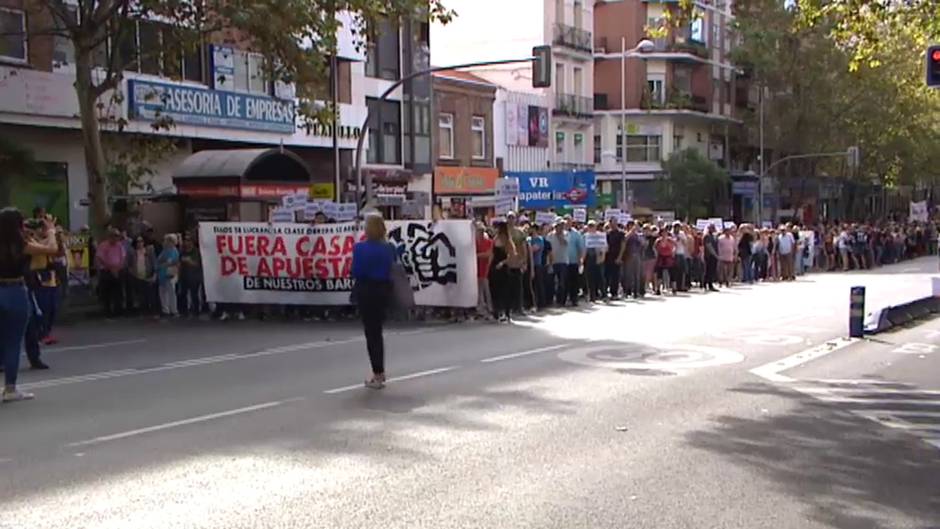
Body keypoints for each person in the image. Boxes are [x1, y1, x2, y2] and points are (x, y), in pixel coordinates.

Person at [0, 208, 58, 402]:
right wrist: (50, 231)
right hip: (15, 290)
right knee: (12, 342)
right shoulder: (21, 244)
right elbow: (51, 249)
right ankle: (10, 388)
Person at [351, 214, 396, 389]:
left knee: (372, 334)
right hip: (384, 290)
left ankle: (378, 373)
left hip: (366, 290)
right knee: (377, 331)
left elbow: (356, 271)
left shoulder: (360, 248)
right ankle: (379, 371)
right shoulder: (389, 248)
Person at [489, 220, 518, 322]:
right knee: (495, 290)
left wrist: (503, 263)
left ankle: (506, 312)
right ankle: (496, 311)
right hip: (494, 266)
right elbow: (492, 254)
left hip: (503, 267)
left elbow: (512, 255)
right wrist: (489, 265)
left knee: (504, 290)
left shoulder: (507, 241)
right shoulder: (495, 239)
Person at [96, 227, 127, 317]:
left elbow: (123, 258)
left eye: (117, 236)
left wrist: (118, 268)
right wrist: (111, 268)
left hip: (118, 271)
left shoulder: (120, 245)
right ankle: (107, 312)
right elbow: (100, 258)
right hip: (107, 271)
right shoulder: (103, 245)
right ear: (109, 236)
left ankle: (118, 311)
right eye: (114, 236)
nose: (116, 238)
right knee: (106, 293)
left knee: (118, 292)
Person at [127, 236, 156, 313]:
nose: (140, 243)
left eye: (141, 241)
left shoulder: (148, 251)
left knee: (149, 294)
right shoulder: (132, 252)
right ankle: (142, 309)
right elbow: (128, 264)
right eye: (138, 241)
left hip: (147, 275)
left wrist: (154, 274)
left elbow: (153, 263)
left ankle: (150, 309)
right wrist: (132, 273)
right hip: (137, 276)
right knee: (140, 294)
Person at [156, 234, 181, 317]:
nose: (167, 242)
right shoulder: (164, 251)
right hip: (162, 274)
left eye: (170, 241)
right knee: (162, 292)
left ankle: (174, 310)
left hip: (170, 273)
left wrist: (164, 264)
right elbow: (158, 261)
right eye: (167, 240)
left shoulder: (174, 251)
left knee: (171, 292)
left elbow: (171, 262)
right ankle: (165, 310)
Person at [546, 221, 569, 306]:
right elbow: (548, 249)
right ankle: (550, 300)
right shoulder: (549, 235)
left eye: (561, 226)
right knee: (550, 282)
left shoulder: (566, 234)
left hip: (563, 261)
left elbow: (565, 243)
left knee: (562, 282)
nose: (560, 227)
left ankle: (561, 301)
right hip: (552, 261)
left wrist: (559, 235)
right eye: (558, 226)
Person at [179, 234, 203, 317]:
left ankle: (196, 311)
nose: (186, 242)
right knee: (183, 293)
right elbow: (180, 262)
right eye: (185, 240)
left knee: (194, 294)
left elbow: (197, 264)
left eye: (188, 240)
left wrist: (189, 261)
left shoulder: (196, 251)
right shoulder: (183, 251)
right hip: (184, 275)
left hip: (194, 277)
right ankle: (184, 311)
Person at [474, 223, 494, 319]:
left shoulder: (489, 242)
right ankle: (480, 310)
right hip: (476, 270)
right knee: (479, 292)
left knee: (487, 291)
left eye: (481, 231)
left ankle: (490, 309)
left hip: (485, 269)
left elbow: (488, 254)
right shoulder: (474, 243)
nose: (480, 233)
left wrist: (476, 255)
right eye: (478, 231)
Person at [605, 221, 624, 299]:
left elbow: (623, 245)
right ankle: (605, 292)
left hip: (616, 256)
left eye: (614, 223)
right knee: (607, 275)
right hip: (608, 257)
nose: (613, 225)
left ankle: (614, 293)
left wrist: (620, 257)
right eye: (611, 223)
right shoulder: (607, 233)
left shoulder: (621, 233)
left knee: (615, 276)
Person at [703, 224, 719, 291]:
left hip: (713, 256)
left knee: (712, 271)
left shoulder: (713, 236)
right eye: (712, 228)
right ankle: (705, 284)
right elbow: (709, 246)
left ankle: (710, 284)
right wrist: (715, 255)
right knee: (708, 270)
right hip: (709, 256)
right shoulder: (707, 236)